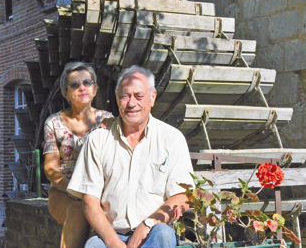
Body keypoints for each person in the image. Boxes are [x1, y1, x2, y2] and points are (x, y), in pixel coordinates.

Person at [67, 65, 195, 248]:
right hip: (111, 235)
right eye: (125, 96)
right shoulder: (98, 140)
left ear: (153, 98)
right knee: (93, 246)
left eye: (139, 96)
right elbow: (89, 201)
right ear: (117, 99)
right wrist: (113, 242)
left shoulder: (172, 139)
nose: (131, 103)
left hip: (155, 231)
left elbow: (183, 196)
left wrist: (147, 225)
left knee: (164, 235)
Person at [43, 62, 113, 248]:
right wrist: (76, 192)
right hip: (63, 193)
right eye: (74, 84)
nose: (82, 87)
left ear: (95, 89)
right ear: (66, 93)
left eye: (87, 83)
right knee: (77, 210)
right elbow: (51, 169)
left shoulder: (108, 120)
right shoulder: (53, 122)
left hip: (99, 192)